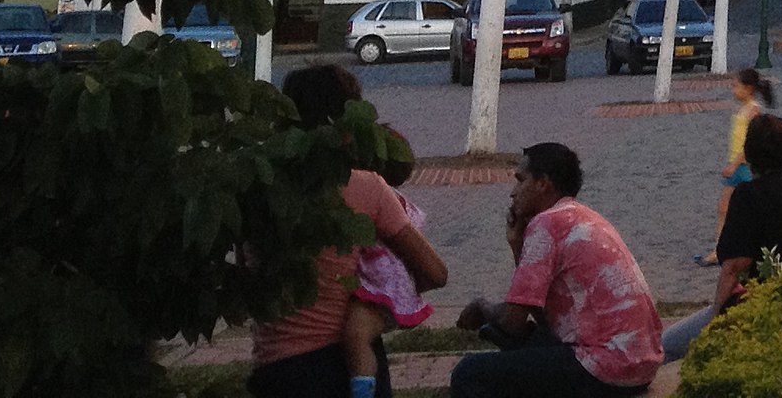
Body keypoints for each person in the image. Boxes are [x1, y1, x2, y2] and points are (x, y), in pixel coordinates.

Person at [250, 64, 448, 398]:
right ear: (348, 121)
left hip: (273, 367)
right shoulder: (365, 187)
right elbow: (436, 272)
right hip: (336, 366)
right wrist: (388, 297)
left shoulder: (256, 185)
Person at [451, 143, 661, 397]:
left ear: (543, 183)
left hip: (606, 366)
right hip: (639, 364)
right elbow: (547, 319)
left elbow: (512, 323)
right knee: (531, 345)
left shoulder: (547, 223)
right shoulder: (580, 216)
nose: (513, 193)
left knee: (469, 372)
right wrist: (517, 244)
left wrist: (482, 307)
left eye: (521, 180)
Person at [659, 113, 782, 359]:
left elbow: (734, 267)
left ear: (749, 151)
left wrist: (716, 316)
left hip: (755, 303)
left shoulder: (746, 195)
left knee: (668, 342)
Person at [342, 133, 435, 397]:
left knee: (356, 335)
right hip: (382, 283)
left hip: (384, 288)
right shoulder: (395, 199)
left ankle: (363, 388)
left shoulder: (378, 197)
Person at [708, 67, 776, 255]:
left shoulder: (753, 111)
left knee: (749, 207)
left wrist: (734, 164)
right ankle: (719, 248)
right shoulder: (744, 109)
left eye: (736, 86)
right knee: (724, 208)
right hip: (737, 165)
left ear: (749, 88)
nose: (733, 90)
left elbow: (750, 143)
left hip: (744, 166)